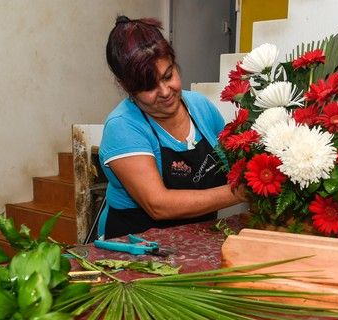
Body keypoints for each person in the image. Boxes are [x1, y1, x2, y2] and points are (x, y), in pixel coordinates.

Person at [98, 16, 246, 239]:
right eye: (148, 86)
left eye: (168, 76)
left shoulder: (200, 107)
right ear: (125, 86)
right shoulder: (123, 127)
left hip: (198, 238)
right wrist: (242, 193)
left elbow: (233, 164)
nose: (166, 91)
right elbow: (158, 205)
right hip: (136, 248)